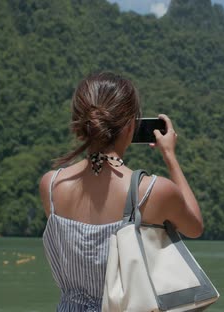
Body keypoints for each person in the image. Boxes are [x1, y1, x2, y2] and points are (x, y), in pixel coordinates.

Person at [38, 72, 203, 311]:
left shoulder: (51, 186)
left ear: (79, 124)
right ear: (130, 126)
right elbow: (194, 227)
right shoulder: (152, 191)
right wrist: (170, 156)